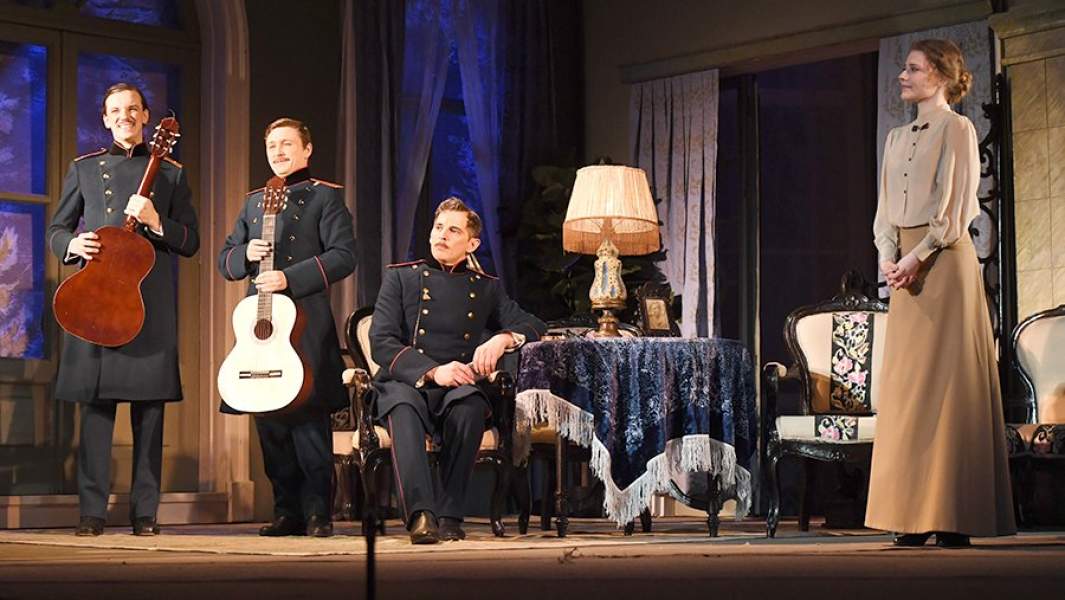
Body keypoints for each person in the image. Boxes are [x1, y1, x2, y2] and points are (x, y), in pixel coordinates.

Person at [866, 39, 1015, 548]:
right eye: (904, 68)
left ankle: (953, 512)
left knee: (949, 389)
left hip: (944, 263)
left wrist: (916, 257)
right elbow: (885, 209)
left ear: (940, 76)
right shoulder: (895, 138)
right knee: (909, 389)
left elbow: (955, 209)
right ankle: (911, 514)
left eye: (913, 69)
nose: (903, 76)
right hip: (905, 268)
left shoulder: (958, 128)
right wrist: (888, 255)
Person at [47, 82, 200, 536]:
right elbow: (57, 229)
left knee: (150, 414)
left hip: (148, 303)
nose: (124, 116)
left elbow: (191, 240)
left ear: (146, 116)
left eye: (132, 108)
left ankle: (145, 514)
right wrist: (73, 244)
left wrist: (156, 222)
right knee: (95, 412)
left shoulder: (171, 174)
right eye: (115, 110)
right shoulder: (85, 168)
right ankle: (91, 513)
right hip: (96, 299)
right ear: (104, 118)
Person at [369, 198, 546, 544]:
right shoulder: (400, 277)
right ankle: (421, 515)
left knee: (471, 406)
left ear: (472, 243)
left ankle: (450, 515)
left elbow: (533, 324)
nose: (442, 236)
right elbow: (381, 342)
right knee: (403, 408)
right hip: (405, 380)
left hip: (458, 385)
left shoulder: (485, 286)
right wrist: (433, 372)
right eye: (438, 228)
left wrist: (502, 339)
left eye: (453, 230)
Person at [218, 118, 356, 537]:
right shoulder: (253, 203)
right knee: (269, 422)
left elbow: (343, 256)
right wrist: (245, 253)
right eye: (272, 146)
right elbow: (226, 260)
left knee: (308, 421)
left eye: (287, 144)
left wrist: (289, 278)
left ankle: (318, 513)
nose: (278, 152)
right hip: (262, 323)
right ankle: (287, 511)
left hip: (305, 320)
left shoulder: (325, 198)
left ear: (306, 149)